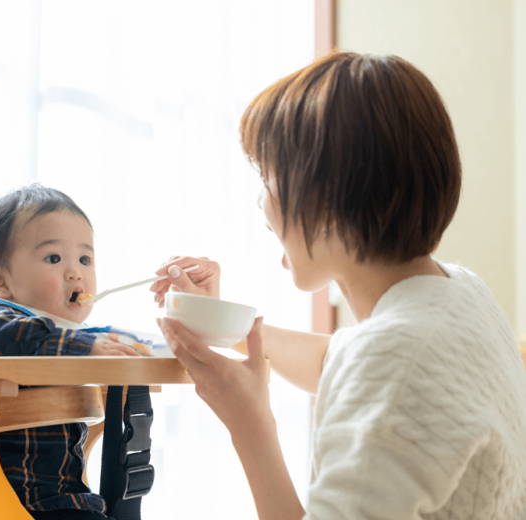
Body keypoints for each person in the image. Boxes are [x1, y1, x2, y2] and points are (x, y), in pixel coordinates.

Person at [152, 52, 526, 519]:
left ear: (329, 204)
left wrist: (250, 425)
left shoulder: (396, 356)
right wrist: (224, 325)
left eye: (269, 179)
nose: (261, 203)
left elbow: (384, 370)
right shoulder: (459, 293)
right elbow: (342, 361)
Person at [0, 184, 139, 520]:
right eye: (53, 258)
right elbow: (1, 340)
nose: (76, 272)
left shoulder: (68, 338)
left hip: (64, 502)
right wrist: (85, 349)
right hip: (6, 506)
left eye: (85, 259)